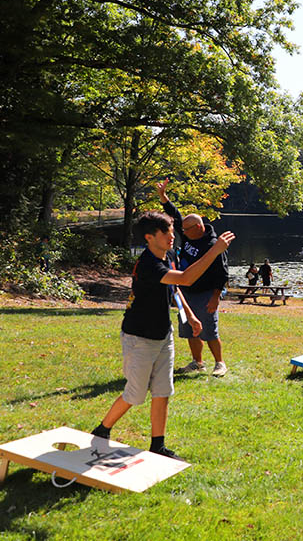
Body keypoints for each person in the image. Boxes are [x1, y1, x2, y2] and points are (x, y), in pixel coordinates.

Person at [91, 211, 234, 460]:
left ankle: (158, 445)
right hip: (139, 337)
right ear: (149, 237)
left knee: (162, 390)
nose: (172, 235)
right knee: (135, 395)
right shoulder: (148, 264)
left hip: (162, 334)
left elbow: (174, 286)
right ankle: (102, 430)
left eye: (171, 230)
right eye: (166, 232)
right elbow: (187, 279)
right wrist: (216, 250)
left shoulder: (166, 256)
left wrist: (189, 314)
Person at [156, 180, 231, 378]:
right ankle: (198, 362)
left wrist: (215, 297)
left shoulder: (213, 245)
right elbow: (175, 214)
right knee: (189, 328)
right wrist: (164, 197)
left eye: (187, 230)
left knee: (209, 329)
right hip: (185, 290)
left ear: (198, 227)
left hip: (205, 293)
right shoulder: (190, 233)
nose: (183, 232)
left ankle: (220, 363)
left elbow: (222, 274)